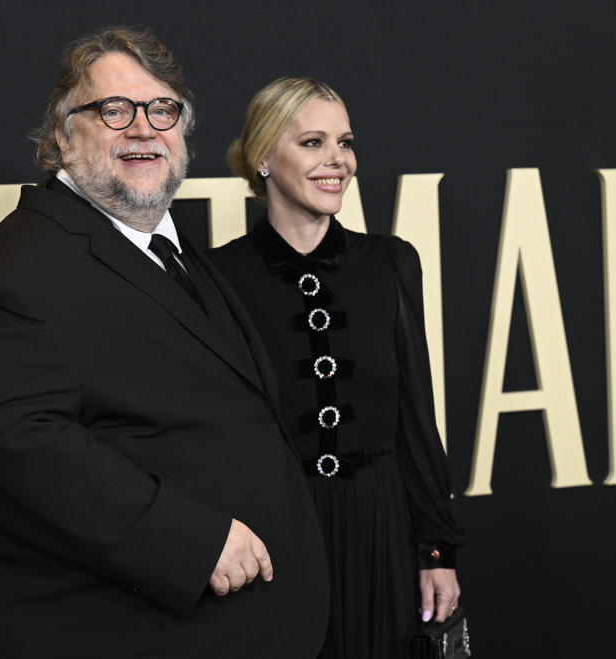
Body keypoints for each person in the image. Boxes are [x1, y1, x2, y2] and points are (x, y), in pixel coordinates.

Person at [0, 30, 329, 658]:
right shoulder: (8, 276)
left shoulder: (172, 254)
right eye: (113, 110)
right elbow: (12, 445)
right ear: (60, 138)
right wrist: (190, 540)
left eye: (163, 110)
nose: (143, 129)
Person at [207, 77, 466, 659]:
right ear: (263, 157)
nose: (338, 162)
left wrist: (436, 551)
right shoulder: (216, 278)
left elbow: (415, 419)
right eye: (313, 143)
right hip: (276, 531)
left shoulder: (390, 263)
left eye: (345, 143)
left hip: (381, 526)